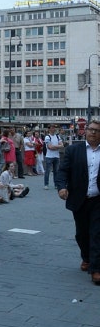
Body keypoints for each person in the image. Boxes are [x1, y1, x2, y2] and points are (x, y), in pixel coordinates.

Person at [57, 119, 100, 285]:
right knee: (82, 233)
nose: (93, 133)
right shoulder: (74, 150)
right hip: (79, 199)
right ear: (85, 131)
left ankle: (96, 269)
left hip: (98, 200)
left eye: (97, 130)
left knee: (97, 233)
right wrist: (62, 187)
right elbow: (63, 171)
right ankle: (87, 258)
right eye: (91, 129)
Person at [44, 125, 64, 190]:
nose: (53, 129)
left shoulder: (58, 136)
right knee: (47, 171)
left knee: (56, 171)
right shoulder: (47, 137)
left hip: (56, 156)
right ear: (49, 129)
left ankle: (56, 184)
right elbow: (50, 147)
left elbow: (62, 145)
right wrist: (58, 146)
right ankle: (46, 184)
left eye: (54, 128)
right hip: (49, 156)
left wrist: (54, 147)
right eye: (52, 128)